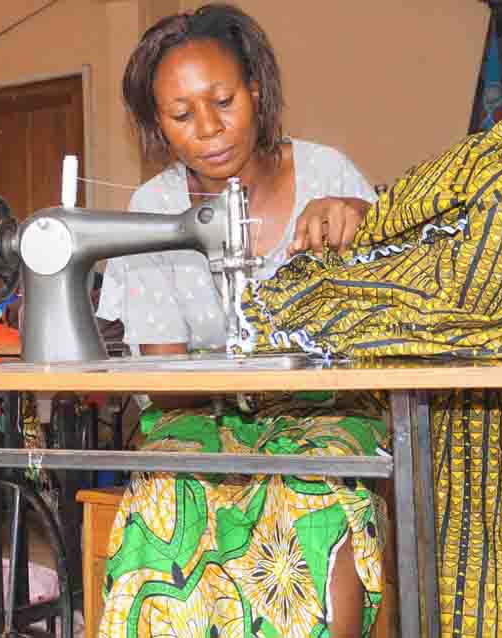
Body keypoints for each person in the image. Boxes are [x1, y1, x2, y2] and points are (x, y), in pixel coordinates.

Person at [95, 6, 386, 638]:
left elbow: (398, 308)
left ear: (256, 88)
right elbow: (166, 374)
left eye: (223, 100)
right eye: (181, 115)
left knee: (317, 496)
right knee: (163, 501)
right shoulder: (154, 210)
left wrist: (367, 221)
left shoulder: (327, 175)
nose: (209, 129)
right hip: (200, 412)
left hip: (326, 409)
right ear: (157, 128)